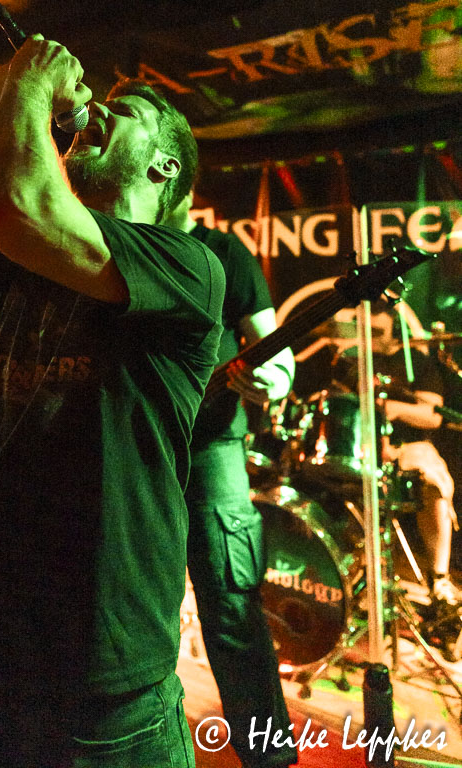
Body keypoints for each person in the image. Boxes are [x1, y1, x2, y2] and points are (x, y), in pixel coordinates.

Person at [0, 38, 225, 768]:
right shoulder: (33, 256)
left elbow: (18, 206)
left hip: (95, 687)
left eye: (124, 113)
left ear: (164, 166)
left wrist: (30, 87)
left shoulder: (186, 268)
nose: (98, 112)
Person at [165, 193, 296, 768]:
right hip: (137, 445)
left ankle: (267, 754)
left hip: (212, 445)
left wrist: (274, 377)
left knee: (231, 604)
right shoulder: (118, 243)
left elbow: (275, 349)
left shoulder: (222, 252)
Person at [303, 303, 460, 613]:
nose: (370, 332)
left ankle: (439, 578)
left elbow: (433, 415)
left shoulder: (416, 362)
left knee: (434, 483)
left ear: (393, 325)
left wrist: (394, 410)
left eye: (376, 327)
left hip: (408, 448)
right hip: (360, 450)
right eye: (365, 327)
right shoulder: (354, 362)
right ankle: (348, 578)